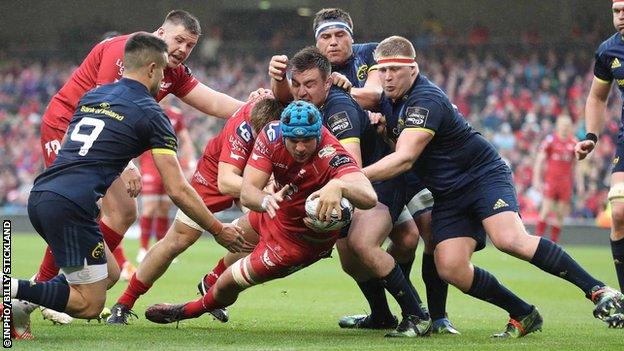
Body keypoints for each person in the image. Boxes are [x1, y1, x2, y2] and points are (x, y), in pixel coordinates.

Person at [362, 35, 624, 336]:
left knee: (510, 239)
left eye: (395, 69)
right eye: (382, 70)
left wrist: (354, 177)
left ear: (414, 69)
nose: (388, 76)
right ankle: (523, 313)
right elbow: (375, 110)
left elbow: (405, 158)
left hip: (482, 176)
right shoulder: (391, 98)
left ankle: (599, 290)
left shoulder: (425, 99)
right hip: (448, 193)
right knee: (451, 267)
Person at [9, 33, 247, 339]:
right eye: (162, 72)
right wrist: (217, 229)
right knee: (90, 304)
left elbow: (72, 147)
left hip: (42, 194)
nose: (164, 79)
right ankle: (10, 289)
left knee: (109, 273)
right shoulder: (151, 113)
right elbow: (178, 189)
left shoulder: (93, 96)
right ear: (151, 69)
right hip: (71, 206)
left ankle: (19, 305)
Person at [269, 8, 455, 334]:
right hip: (369, 167)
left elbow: (377, 94)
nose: (334, 42)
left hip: (393, 163)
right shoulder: (310, 74)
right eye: (326, 36)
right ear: (316, 41)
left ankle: (428, 315)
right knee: (360, 252)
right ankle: (385, 313)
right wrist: (274, 81)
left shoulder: (365, 61)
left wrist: (346, 92)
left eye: (340, 34)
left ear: (352, 37)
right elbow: (288, 99)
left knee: (418, 236)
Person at [142, 101, 378, 330]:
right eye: (294, 140)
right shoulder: (271, 134)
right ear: (284, 134)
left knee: (227, 286)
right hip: (277, 212)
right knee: (238, 234)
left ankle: (188, 310)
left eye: (307, 140)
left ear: (319, 135)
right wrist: (265, 200)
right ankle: (205, 281)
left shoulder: (331, 152)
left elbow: (369, 197)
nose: (300, 147)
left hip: (299, 245)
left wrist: (340, 187)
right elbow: (247, 193)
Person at [106, 92, 282, 324]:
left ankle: (212, 280)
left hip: (252, 176)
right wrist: (264, 193)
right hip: (215, 176)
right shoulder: (242, 126)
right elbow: (226, 181)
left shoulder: (283, 118)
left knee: (265, 231)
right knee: (178, 240)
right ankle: (124, 302)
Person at [575, 0, 624, 327]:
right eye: (617, 11)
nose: (621, 17)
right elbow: (597, 96)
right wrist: (591, 134)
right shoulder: (609, 50)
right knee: (618, 212)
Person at [136, 97, 195, 265]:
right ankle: (143, 249)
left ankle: (162, 250)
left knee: (163, 209)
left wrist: (190, 163)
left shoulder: (176, 115)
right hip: (149, 164)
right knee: (149, 208)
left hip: (169, 164)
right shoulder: (146, 109)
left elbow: (185, 139)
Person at [533, 115, 583, 243]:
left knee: (560, 214)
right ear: (558, 126)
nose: (565, 127)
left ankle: (554, 243)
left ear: (570, 127)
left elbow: (577, 166)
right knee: (545, 210)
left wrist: (581, 184)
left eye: (567, 125)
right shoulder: (550, 140)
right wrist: (537, 179)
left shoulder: (574, 143)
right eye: (563, 125)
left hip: (566, 183)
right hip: (551, 181)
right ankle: (537, 241)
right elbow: (540, 160)